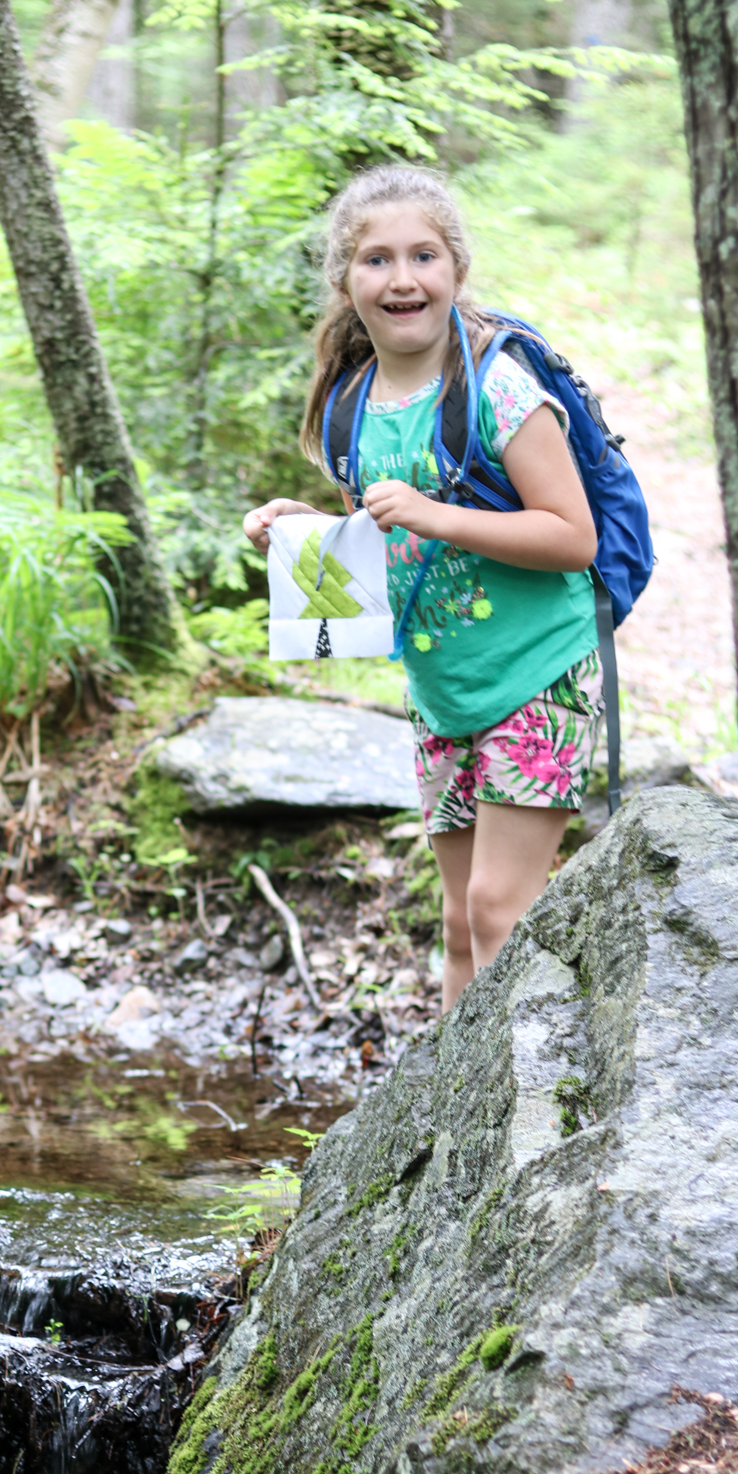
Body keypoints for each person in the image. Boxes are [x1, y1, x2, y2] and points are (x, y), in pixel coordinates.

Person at [242, 164, 600, 1011]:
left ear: (456, 270)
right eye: (376, 261)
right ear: (344, 281)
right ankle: (450, 1115)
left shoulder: (499, 390)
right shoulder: (349, 400)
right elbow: (379, 527)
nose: (402, 278)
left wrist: (438, 515)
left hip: (537, 670)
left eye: (424, 256)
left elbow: (571, 536)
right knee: (457, 921)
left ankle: (527, 1115)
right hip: (441, 689)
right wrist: (299, 526)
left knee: (499, 907)